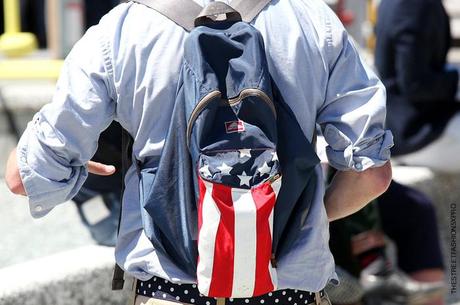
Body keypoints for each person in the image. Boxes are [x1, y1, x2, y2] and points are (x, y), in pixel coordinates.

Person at [5, 1, 393, 305]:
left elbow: (26, 178)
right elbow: (372, 173)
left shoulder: (121, 31)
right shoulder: (314, 22)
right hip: (289, 291)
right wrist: (293, 215)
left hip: (171, 293)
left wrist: (60, 162)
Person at [374, 0, 460, 172]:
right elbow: (414, 84)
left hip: (404, 127)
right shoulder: (414, 5)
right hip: (414, 134)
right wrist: (456, 81)